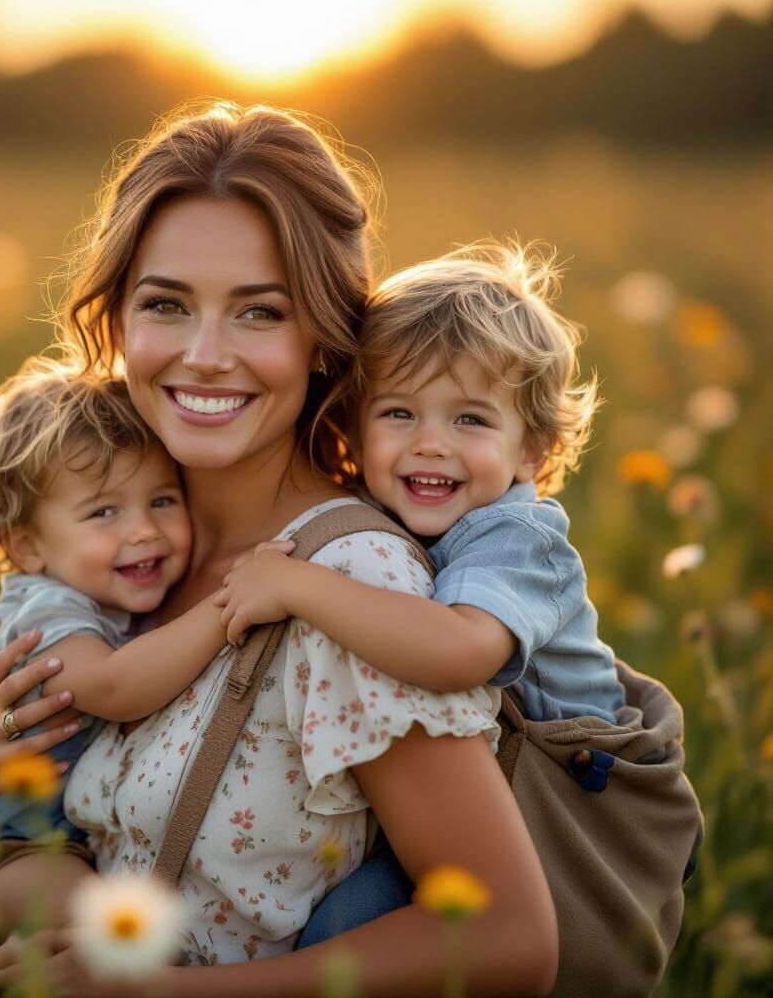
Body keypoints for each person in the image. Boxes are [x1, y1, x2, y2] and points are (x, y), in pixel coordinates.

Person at [0, 102, 558, 996]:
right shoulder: (112, 566)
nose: (206, 356)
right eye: (166, 304)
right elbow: (7, 898)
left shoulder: (345, 582)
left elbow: (506, 942)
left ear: (326, 337)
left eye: (259, 313)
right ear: (119, 321)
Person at [216, 243, 626, 725]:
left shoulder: (516, 538)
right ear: (356, 436)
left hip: (579, 777)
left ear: (531, 450)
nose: (430, 444)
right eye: (399, 413)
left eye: (470, 419)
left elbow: (458, 653)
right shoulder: (371, 505)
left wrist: (297, 586)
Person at [0, 362, 233, 936]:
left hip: (69, 838)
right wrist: (226, 607)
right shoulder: (45, 611)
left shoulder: (112, 596)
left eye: (163, 500)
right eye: (104, 511)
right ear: (27, 548)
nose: (144, 530)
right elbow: (111, 688)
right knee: (110, 936)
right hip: (10, 852)